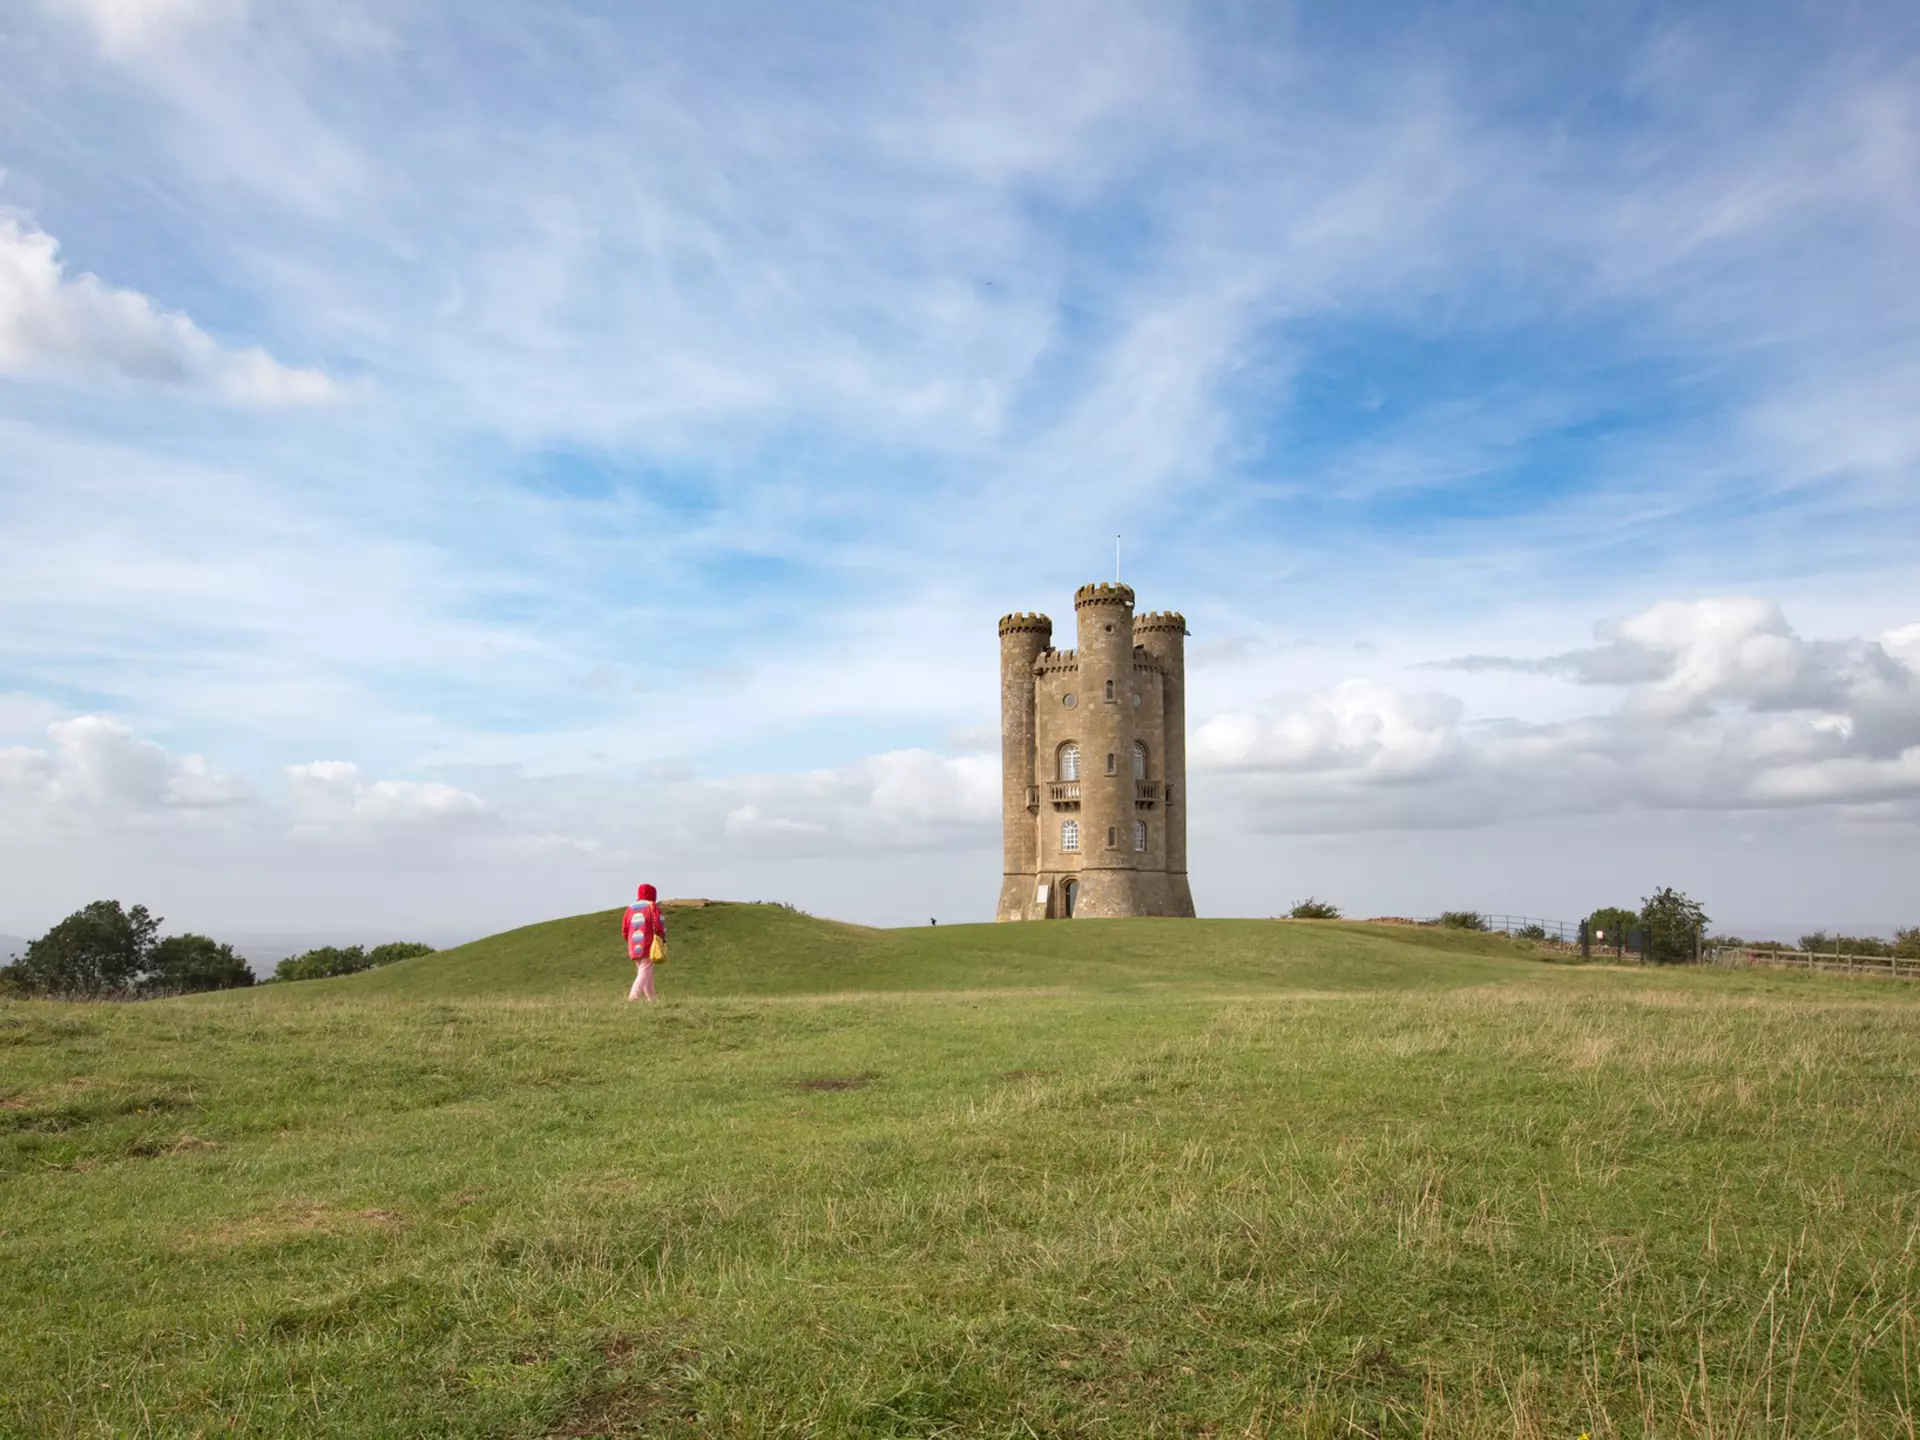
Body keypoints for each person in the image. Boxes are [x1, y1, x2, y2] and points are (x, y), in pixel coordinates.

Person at [623, 883, 666, 1003]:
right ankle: (633, 996)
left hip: (633, 944)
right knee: (645, 970)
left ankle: (652, 999)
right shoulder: (652, 906)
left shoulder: (629, 909)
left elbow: (625, 929)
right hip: (648, 944)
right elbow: (658, 924)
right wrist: (662, 937)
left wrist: (629, 940)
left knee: (645, 972)